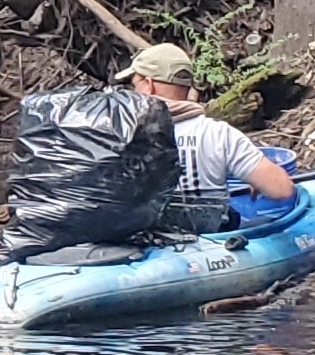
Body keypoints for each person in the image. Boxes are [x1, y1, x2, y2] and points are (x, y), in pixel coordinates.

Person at [121, 42, 297, 232]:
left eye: (134, 84)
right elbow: (282, 190)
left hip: (144, 244)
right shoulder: (218, 134)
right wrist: (256, 179)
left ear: (148, 86)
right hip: (210, 241)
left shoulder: (118, 134)